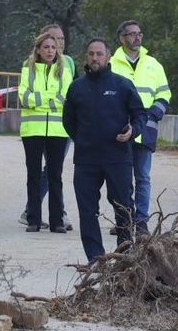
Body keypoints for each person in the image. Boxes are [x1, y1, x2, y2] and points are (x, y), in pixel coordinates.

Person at [62, 38, 145, 261]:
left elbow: (140, 114)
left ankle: (124, 256)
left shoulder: (122, 85)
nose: (94, 58)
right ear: (86, 56)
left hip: (118, 157)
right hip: (86, 160)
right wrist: (82, 140)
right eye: (91, 54)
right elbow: (68, 121)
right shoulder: (77, 87)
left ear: (108, 57)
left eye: (99, 54)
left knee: (123, 208)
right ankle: (96, 259)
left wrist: (133, 132)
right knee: (87, 211)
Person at [110, 20, 171, 229]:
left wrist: (151, 115)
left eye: (139, 33)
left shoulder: (154, 64)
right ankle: (124, 221)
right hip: (119, 130)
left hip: (146, 129)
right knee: (121, 179)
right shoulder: (111, 64)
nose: (137, 37)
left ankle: (141, 221)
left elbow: (164, 94)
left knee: (143, 178)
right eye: (132, 34)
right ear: (122, 38)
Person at [21, 23, 74, 231]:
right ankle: (33, 220)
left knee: (55, 176)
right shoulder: (28, 69)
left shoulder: (64, 70)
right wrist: (50, 99)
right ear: (38, 50)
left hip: (57, 130)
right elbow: (24, 98)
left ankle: (57, 221)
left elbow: (65, 98)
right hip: (32, 130)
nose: (50, 50)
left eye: (53, 47)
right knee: (33, 176)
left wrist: (39, 100)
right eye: (46, 47)